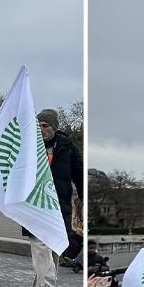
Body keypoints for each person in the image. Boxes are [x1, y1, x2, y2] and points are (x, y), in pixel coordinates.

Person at [39, 108, 85, 273]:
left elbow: (79, 174)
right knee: (40, 248)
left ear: (54, 127)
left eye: (45, 125)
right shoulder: (30, 147)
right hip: (36, 204)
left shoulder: (68, 147)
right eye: (38, 126)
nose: (41, 129)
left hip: (60, 203)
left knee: (54, 249)